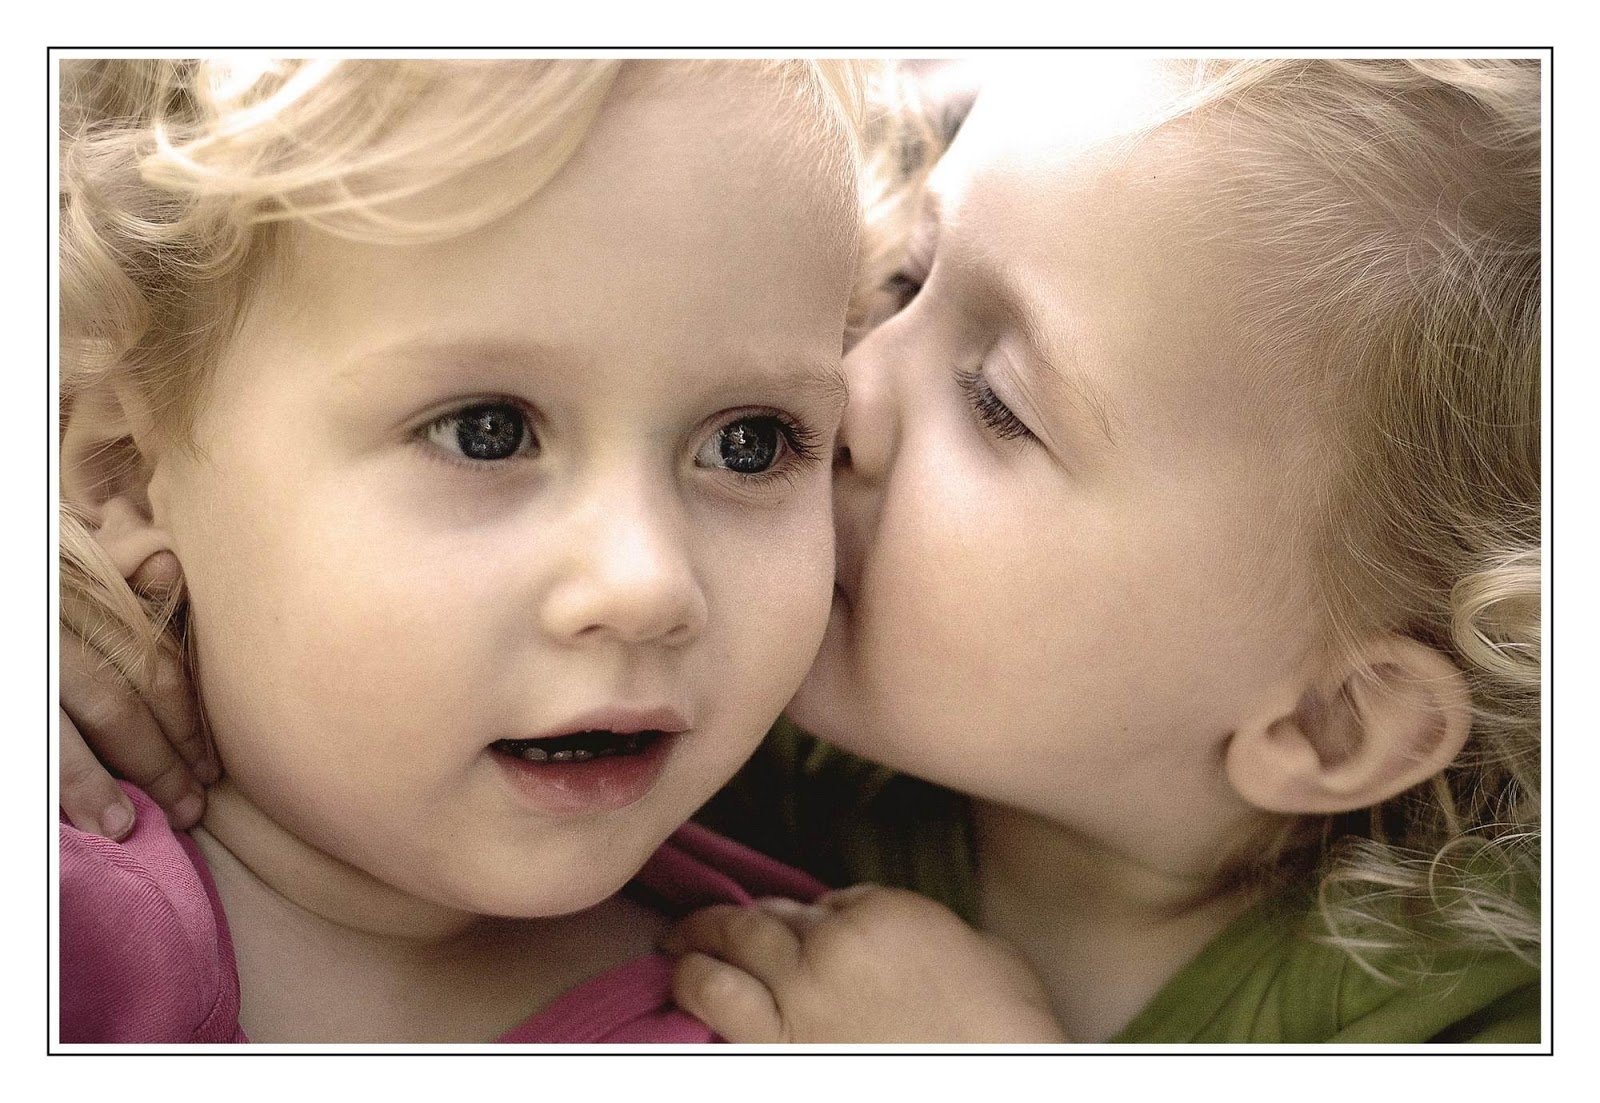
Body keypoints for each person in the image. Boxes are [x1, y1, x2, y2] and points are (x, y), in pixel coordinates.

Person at [670, 57, 1543, 1044]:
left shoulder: (1482, 1017)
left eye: (997, 401)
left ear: (1325, 723)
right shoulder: (728, 729)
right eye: (906, 276)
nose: (845, 383)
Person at [56, 56, 871, 1043]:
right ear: (126, 476)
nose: (647, 582)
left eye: (748, 444)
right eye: (485, 431)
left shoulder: (828, 1003)